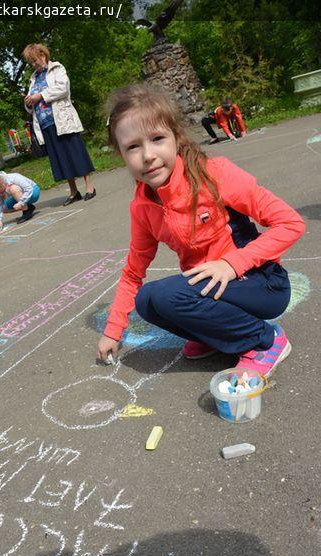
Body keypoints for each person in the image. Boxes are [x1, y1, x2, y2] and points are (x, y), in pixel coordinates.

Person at [97, 84, 305, 377]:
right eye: (133, 146)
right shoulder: (143, 206)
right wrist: (113, 331)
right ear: (120, 154)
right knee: (147, 301)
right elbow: (133, 273)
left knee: (167, 295)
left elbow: (290, 223)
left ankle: (266, 342)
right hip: (212, 289)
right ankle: (213, 336)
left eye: (157, 139)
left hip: (261, 283)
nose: (147, 155)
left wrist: (232, 264)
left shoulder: (214, 174)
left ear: (176, 138)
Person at [22, 43, 96, 207]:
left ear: (43, 55)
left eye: (35, 60)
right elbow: (31, 104)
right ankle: (74, 191)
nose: (34, 65)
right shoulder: (33, 79)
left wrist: (40, 95)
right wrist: (28, 102)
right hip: (45, 124)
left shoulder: (56, 69)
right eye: (31, 63)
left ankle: (90, 187)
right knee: (61, 159)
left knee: (75, 152)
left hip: (62, 120)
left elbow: (63, 88)